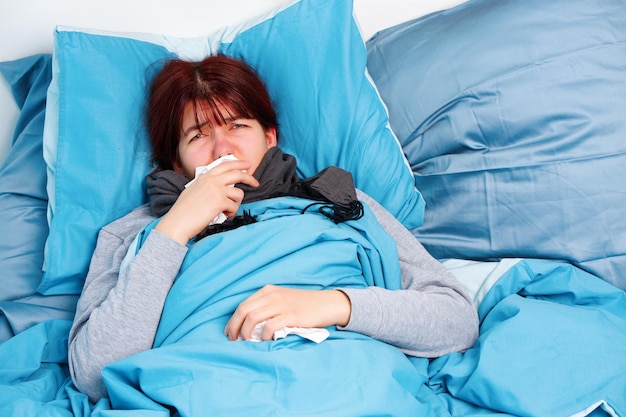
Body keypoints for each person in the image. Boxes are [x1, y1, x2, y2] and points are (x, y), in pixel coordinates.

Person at [68, 55, 479, 403]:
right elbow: (93, 372)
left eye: (237, 127)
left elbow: (456, 320)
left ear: (269, 137)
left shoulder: (341, 200)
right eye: (199, 135)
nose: (223, 149)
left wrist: (335, 305)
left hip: (348, 382)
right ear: (175, 163)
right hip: (206, 390)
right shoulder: (133, 234)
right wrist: (174, 227)